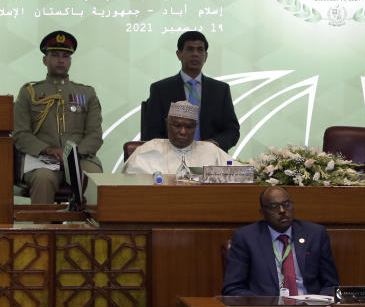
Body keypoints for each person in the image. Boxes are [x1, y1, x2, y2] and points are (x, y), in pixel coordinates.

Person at [13, 31, 103, 205]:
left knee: (94, 179)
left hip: (80, 157)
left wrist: (73, 155)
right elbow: (21, 134)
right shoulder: (29, 93)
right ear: (45, 60)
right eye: (55, 55)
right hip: (41, 158)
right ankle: (42, 230)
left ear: (70, 60)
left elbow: (94, 134)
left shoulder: (87, 93)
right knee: (43, 179)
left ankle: (91, 232)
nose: (61, 60)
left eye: (66, 56)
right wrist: (47, 150)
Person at [222, 186, 339, 296]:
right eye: (274, 206)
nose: (282, 210)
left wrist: (318, 303)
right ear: (262, 213)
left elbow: (331, 284)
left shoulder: (315, 234)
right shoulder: (246, 238)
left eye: (286, 204)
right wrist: (266, 305)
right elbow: (233, 289)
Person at [142, 30, 240, 151]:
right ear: (179, 54)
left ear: (206, 56)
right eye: (190, 49)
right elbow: (152, 132)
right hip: (170, 159)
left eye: (200, 50)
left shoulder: (220, 90)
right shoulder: (160, 89)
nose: (195, 54)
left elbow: (232, 130)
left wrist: (214, 145)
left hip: (211, 156)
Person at [123, 101, 230, 174]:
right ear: (167, 124)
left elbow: (241, 173)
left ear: (196, 127)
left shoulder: (210, 150)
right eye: (177, 125)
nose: (183, 132)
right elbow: (129, 181)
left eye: (189, 127)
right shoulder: (149, 149)